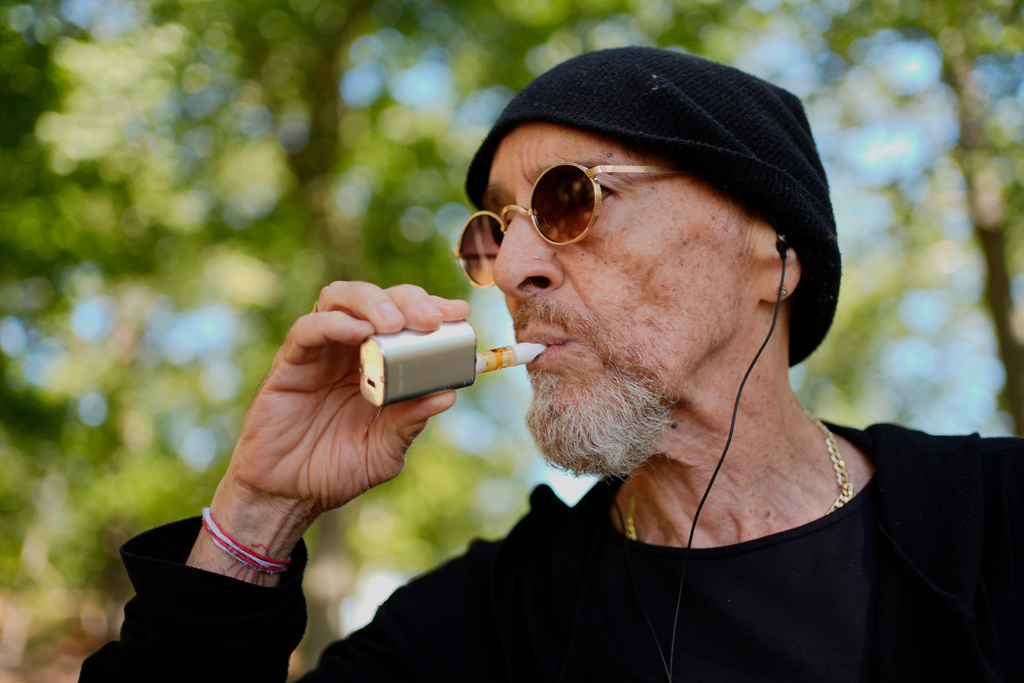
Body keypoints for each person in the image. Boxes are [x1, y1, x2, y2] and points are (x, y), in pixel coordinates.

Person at [81, 47, 1021, 682]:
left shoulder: (1001, 523)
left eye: (573, 197)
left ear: (773, 257)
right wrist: (259, 510)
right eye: (493, 229)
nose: (514, 269)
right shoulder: (481, 629)